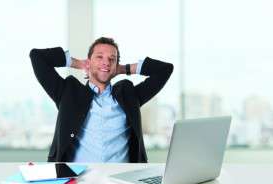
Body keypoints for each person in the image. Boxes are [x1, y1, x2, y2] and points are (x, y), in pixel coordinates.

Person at [29, 37, 173, 163]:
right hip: (80, 180)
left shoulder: (129, 95)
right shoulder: (68, 92)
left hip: (121, 181)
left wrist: (124, 69)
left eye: (112, 59)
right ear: (89, 61)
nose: (106, 62)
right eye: (99, 57)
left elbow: (165, 70)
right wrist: (78, 63)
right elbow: (37, 57)